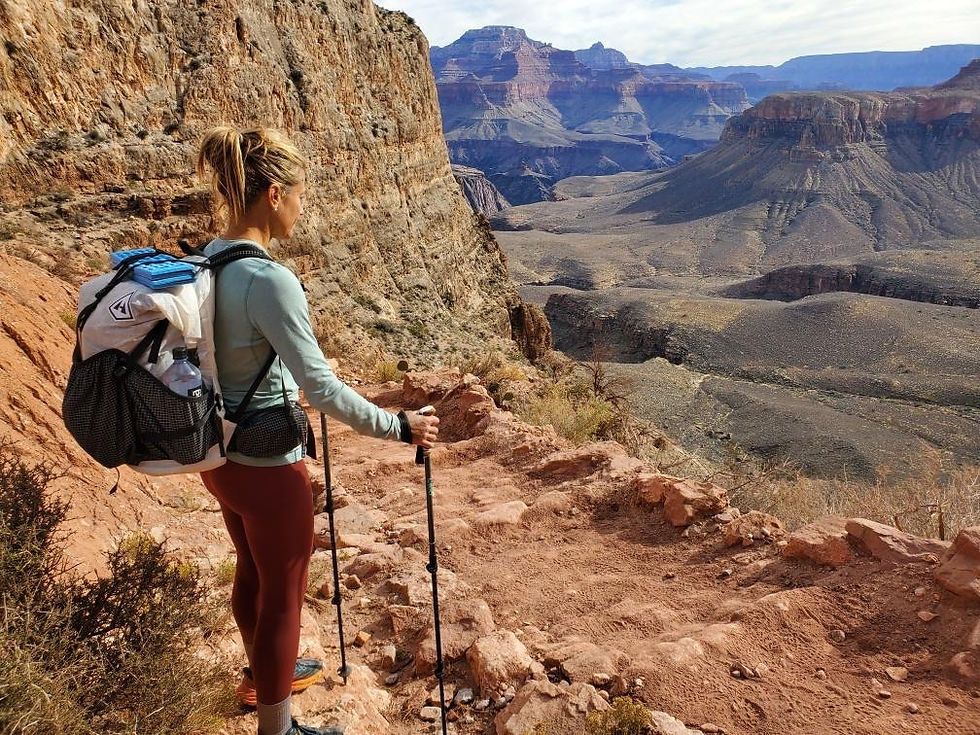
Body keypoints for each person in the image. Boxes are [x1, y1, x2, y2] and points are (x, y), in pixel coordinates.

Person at [196, 126, 439, 735]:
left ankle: (261, 677)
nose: (304, 208)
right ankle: (278, 728)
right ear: (275, 193)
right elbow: (322, 390)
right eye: (301, 195)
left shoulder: (207, 258)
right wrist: (399, 425)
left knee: (252, 571)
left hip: (219, 456)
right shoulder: (269, 280)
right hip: (268, 465)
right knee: (284, 593)